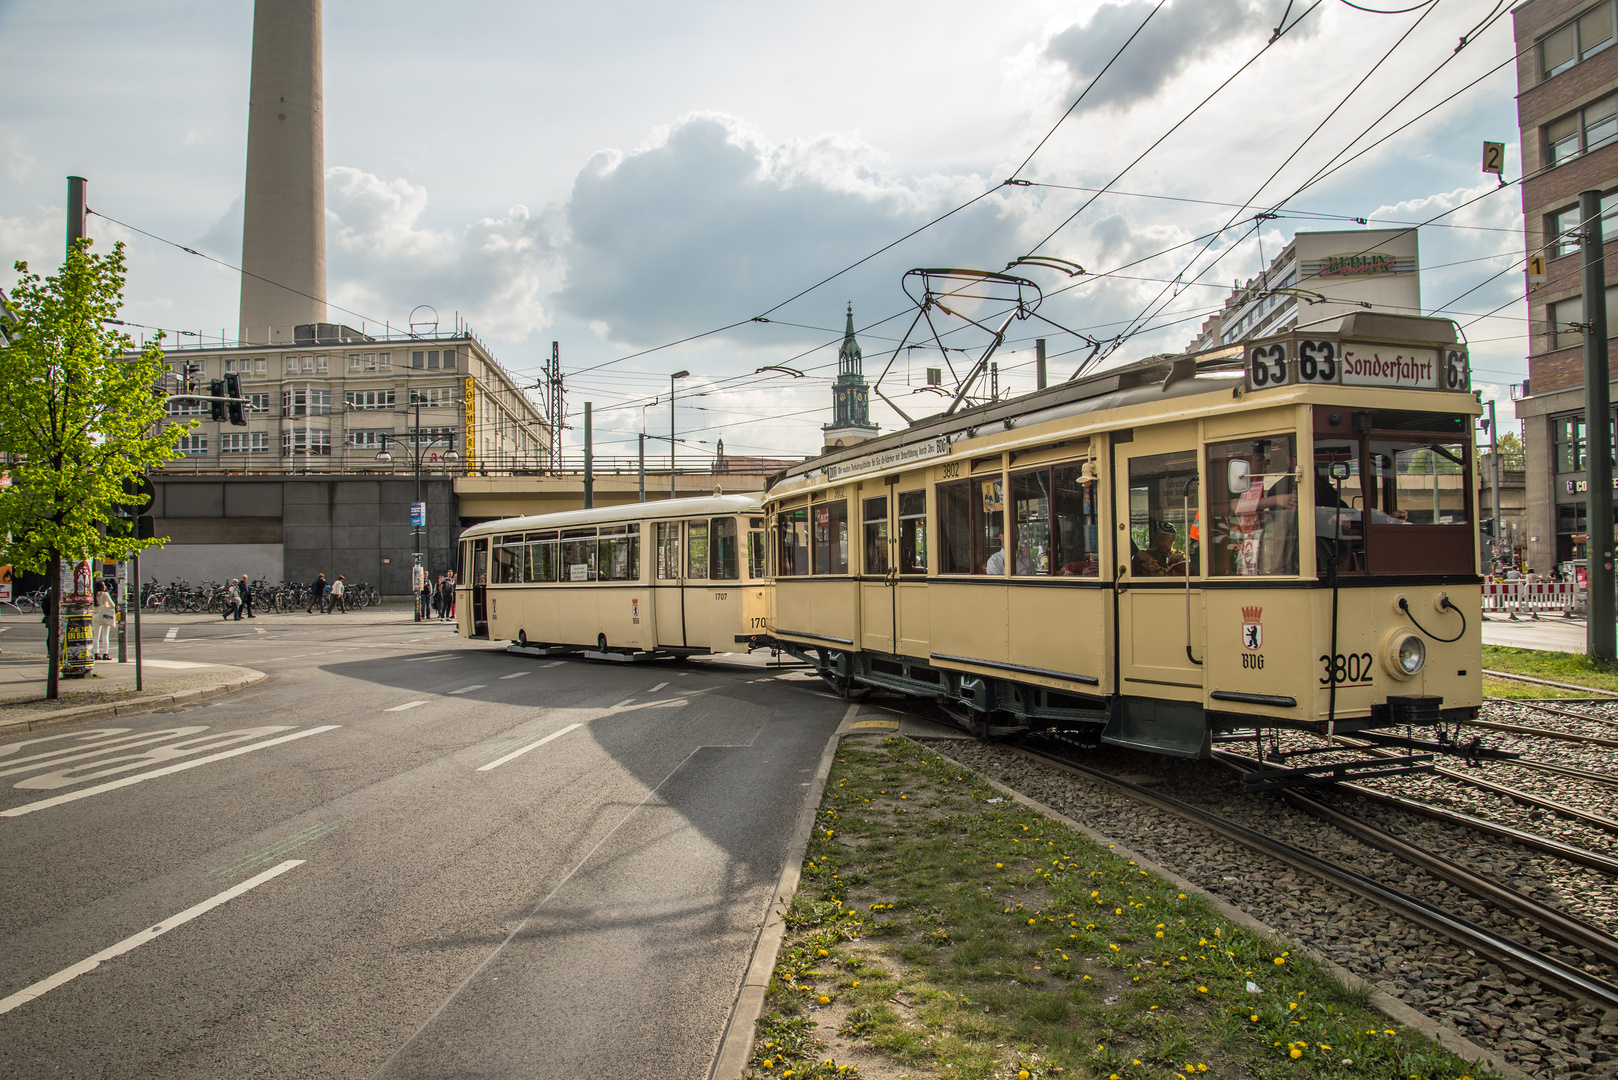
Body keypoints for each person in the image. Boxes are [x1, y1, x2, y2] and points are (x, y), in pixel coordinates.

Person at [93, 581, 116, 660]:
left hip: (95, 615)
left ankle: (96, 653)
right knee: (105, 635)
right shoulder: (105, 594)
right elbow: (113, 605)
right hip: (103, 615)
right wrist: (106, 607)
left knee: (96, 635)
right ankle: (105, 654)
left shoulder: (93, 595)